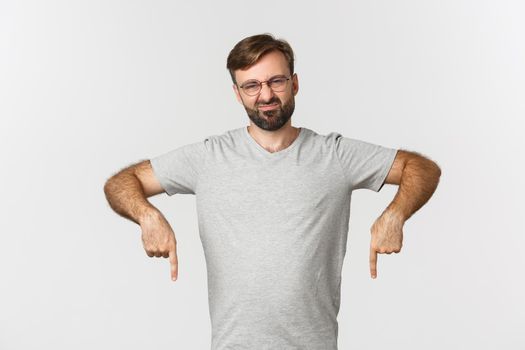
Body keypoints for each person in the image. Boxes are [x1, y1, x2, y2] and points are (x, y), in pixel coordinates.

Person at [104, 33, 441, 350]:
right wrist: (147, 216)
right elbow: (122, 183)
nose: (265, 95)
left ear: (294, 83)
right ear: (237, 93)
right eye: (251, 85)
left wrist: (395, 213)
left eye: (276, 81)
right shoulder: (209, 157)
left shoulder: (334, 155)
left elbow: (421, 168)